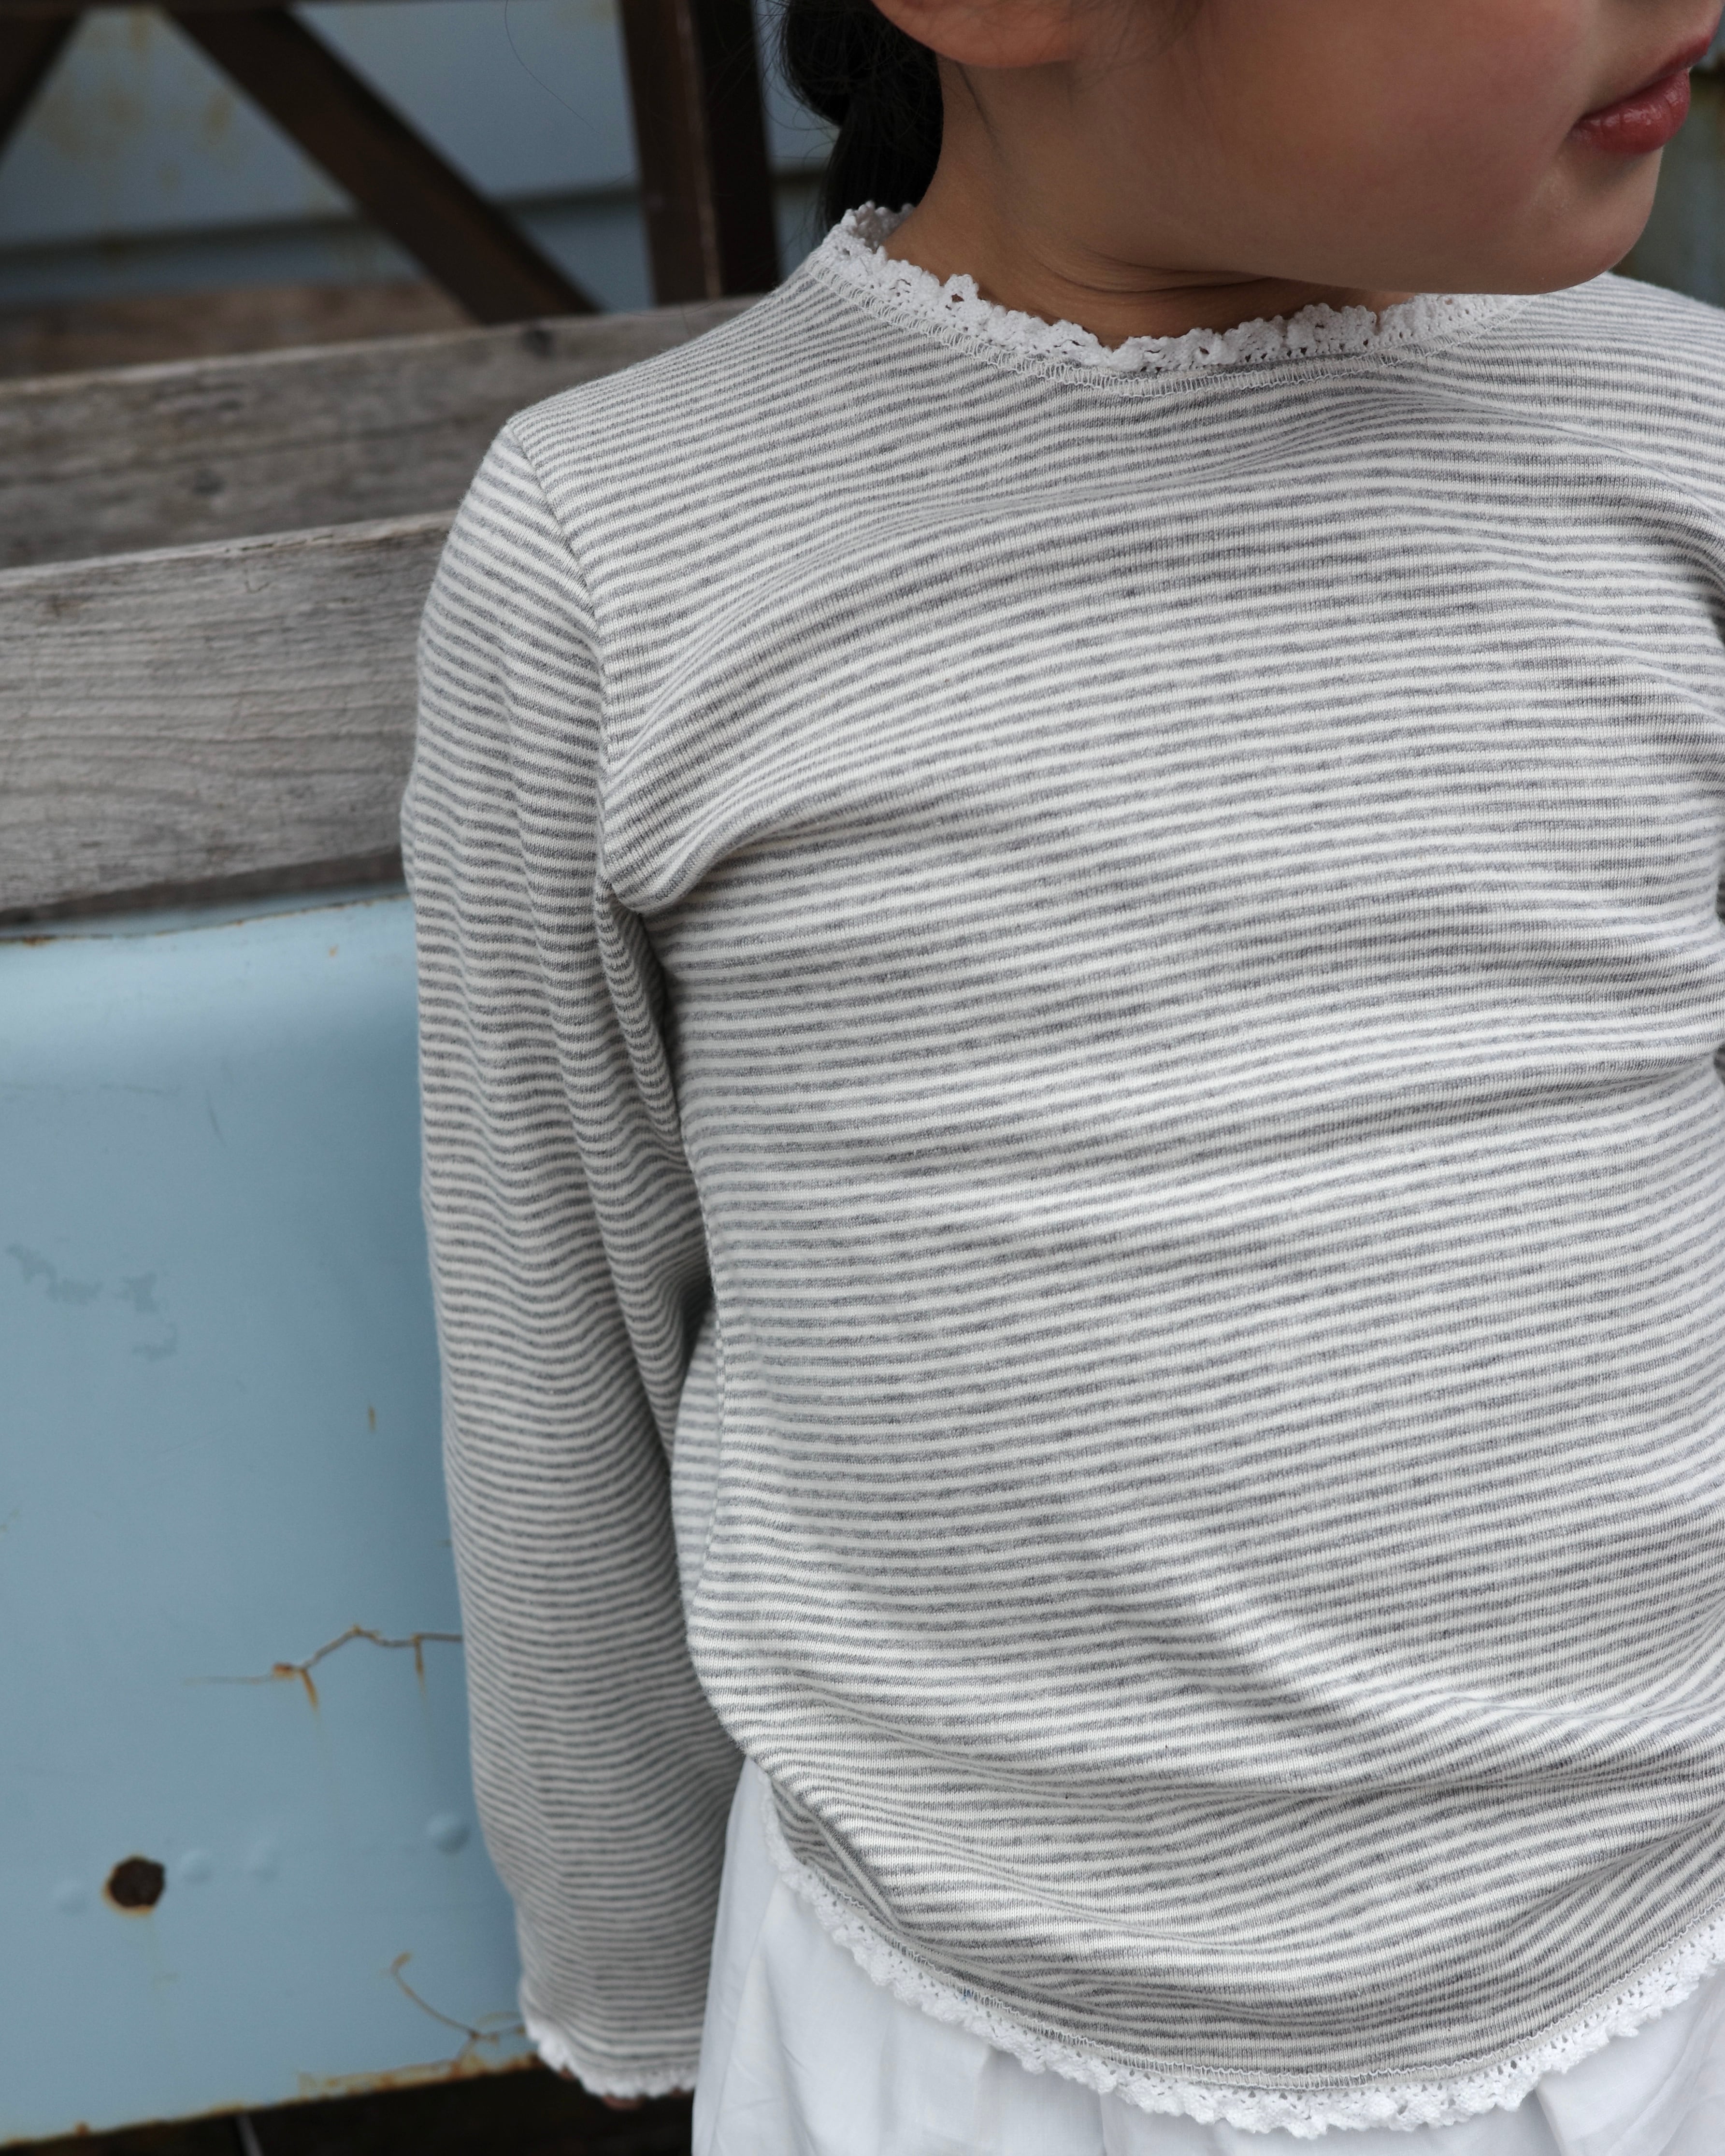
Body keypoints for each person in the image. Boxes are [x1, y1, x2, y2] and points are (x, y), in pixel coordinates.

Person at [400, 0, 1725, 2148]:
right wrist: (631, 1960)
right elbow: (553, 1331)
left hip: (1671, 1981)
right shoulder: (620, 550)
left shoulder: (1683, 439)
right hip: (954, 2040)